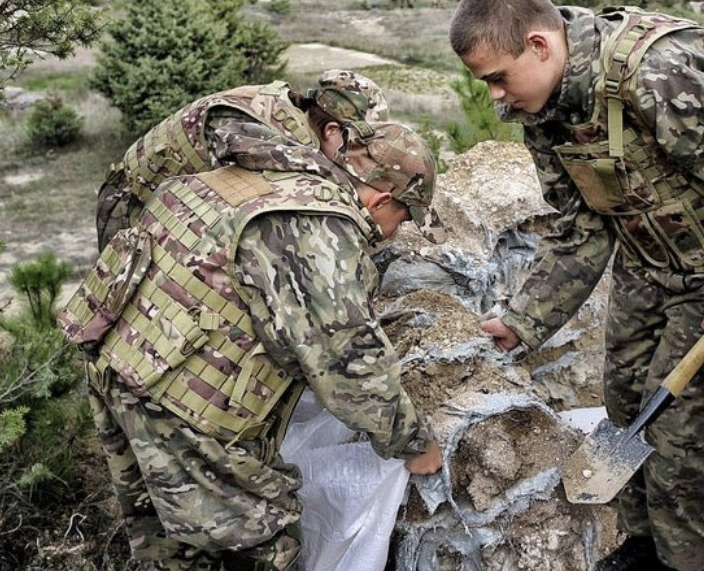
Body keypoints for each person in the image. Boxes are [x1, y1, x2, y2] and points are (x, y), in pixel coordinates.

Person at [449, 0, 704, 571]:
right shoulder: (545, 111)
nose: (497, 98)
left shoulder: (654, 76)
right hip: (645, 266)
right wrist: (522, 323)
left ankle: (685, 558)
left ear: (539, 45)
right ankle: (642, 544)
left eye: (499, 78)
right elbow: (580, 229)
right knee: (625, 408)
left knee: (678, 429)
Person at [60, 121, 446, 570]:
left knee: (174, 546)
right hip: (182, 408)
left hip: (121, 372)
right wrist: (414, 444)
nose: (394, 233)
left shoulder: (259, 177)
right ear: (382, 198)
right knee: (264, 546)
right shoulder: (318, 229)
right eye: (401, 220)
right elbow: (349, 363)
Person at [95, 69, 391, 250]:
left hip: (175, 198)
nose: (355, 160)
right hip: (133, 204)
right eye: (357, 146)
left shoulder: (293, 116)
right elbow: (292, 168)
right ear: (331, 129)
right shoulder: (267, 129)